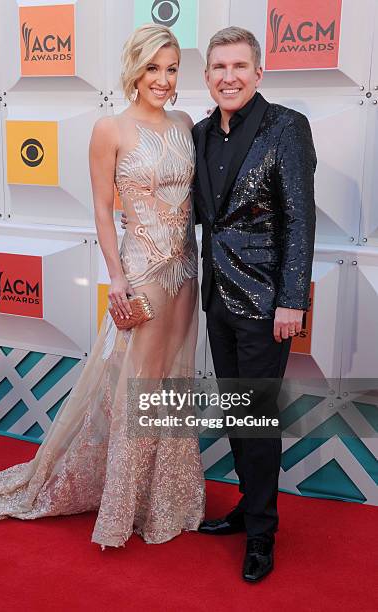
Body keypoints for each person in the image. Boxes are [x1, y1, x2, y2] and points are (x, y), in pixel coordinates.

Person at [0, 24, 205, 548]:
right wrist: (116, 276)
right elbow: (104, 214)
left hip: (186, 269)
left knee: (175, 381)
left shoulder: (185, 121)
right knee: (140, 384)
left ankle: (168, 498)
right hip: (144, 272)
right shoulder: (111, 128)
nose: (162, 79)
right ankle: (120, 507)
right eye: (153, 67)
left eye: (171, 68)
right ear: (134, 69)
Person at [193, 27, 316, 582]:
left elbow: (299, 219)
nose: (229, 76)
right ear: (207, 76)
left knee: (258, 421)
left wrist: (292, 300)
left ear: (258, 72)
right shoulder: (199, 134)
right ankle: (248, 507)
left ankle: (262, 533)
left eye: (239, 66)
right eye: (219, 67)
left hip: (267, 304)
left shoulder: (285, 126)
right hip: (217, 299)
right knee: (238, 417)